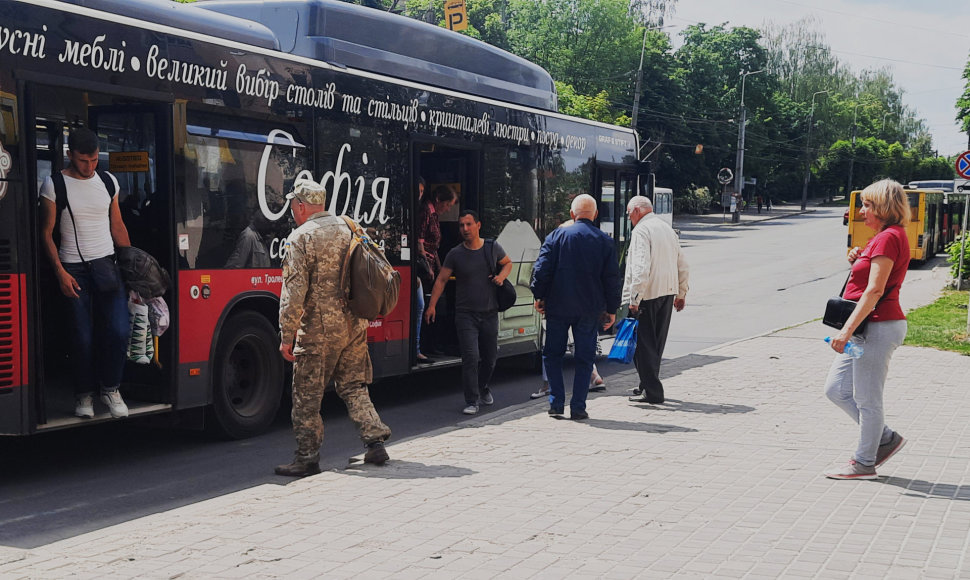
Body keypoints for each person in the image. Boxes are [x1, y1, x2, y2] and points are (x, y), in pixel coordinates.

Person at [276, 178, 392, 477]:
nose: (292, 210)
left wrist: (286, 336)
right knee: (353, 385)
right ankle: (375, 441)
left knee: (306, 396)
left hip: (318, 331)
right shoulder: (350, 227)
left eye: (292, 204)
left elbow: (293, 293)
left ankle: (306, 458)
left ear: (301, 206)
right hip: (353, 324)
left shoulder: (300, 237)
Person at [39, 127, 132, 419]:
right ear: (70, 155)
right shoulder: (54, 185)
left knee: (118, 331)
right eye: (83, 161)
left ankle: (110, 388)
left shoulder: (108, 182)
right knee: (82, 338)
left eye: (94, 161)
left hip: (106, 265)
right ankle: (83, 394)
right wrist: (59, 273)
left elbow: (117, 226)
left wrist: (132, 268)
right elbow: (46, 233)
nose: (89, 167)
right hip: (73, 269)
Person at [823, 179, 910, 480]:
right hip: (867, 328)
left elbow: (874, 291)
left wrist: (845, 332)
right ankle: (883, 438)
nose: (862, 212)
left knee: (867, 398)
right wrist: (858, 259)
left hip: (878, 326)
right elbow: (868, 277)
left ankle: (864, 462)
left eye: (868, 205)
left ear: (884, 207)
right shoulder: (883, 237)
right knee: (836, 389)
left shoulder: (889, 238)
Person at [530, 194, 621, 420]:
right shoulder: (605, 241)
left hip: (558, 307)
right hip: (589, 310)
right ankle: (578, 407)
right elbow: (612, 279)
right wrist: (612, 309)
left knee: (552, 355)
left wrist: (539, 295)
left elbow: (541, 270)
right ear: (596, 215)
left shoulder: (556, 236)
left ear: (572, 214)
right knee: (584, 358)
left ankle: (556, 403)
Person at [425, 210, 512, 415]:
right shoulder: (455, 254)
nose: (465, 229)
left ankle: (483, 387)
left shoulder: (492, 248)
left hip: (490, 313)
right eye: (461, 225)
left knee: (490, 358)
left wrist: (501, 277)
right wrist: (432, 306)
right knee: (471, 357)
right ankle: (472, 400)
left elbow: (507, 263)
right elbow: (441, 280)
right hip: (465, 315)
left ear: (478, 225)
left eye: (468, 224)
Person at [623, 195, 689, 405]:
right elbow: (683, 264)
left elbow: (640, 267)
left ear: (636, 211)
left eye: (628, 213)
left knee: (642, 346)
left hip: (647, 294)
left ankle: (653, 392)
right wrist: (681, 293)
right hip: (667, 293)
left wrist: (634, 297)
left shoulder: (641, 230)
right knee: (656, 344)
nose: (628, 218)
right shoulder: (667, 229)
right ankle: (646, 384)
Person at [417, 184, 459, 359]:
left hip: (433, 265)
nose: (448, 208)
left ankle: (433, 343)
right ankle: (428, 345)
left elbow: (434, 247)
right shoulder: (426, 211)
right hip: (425, 268)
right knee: (429, 304)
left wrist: (440, 267)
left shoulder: (433, 214)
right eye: (448, 204)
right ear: (439, 200)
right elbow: (420, 242)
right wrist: (427, 266)